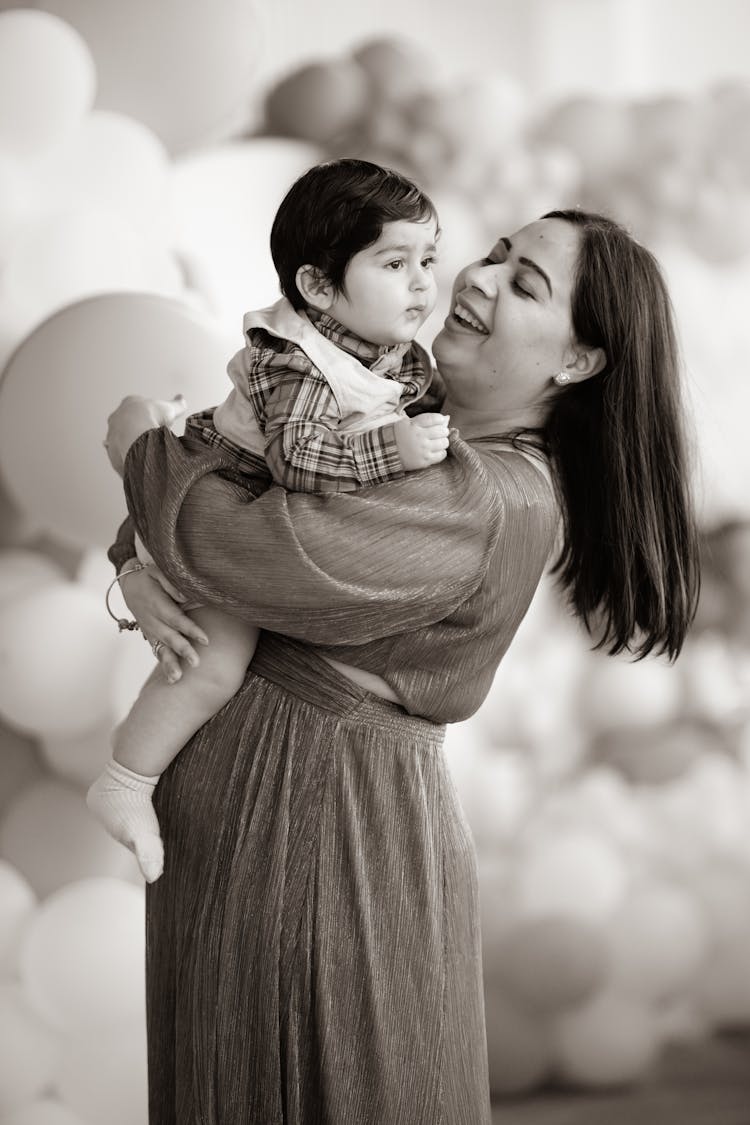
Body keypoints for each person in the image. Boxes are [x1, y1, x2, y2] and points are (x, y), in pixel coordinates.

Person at [103, 209, 700, 1125]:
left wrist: (137, 458)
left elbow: (244, 550)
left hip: (318, 847)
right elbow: (237, 496)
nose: (479, 276)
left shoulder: (489, 497)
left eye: (527, 282)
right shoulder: (400, 426)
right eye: (497, 252)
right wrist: (137, 568)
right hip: (271, 838)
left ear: (577, 363)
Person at [87, 159, 450, 883]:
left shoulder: (384, 346)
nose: (422, 282)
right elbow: (301, 460)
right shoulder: (296, 361)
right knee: (215, 662)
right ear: (317, 286)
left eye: (430, 259)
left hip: (243, 500)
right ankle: (125, 782)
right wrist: (394, 446)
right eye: (395, 261)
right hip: (215, 486)